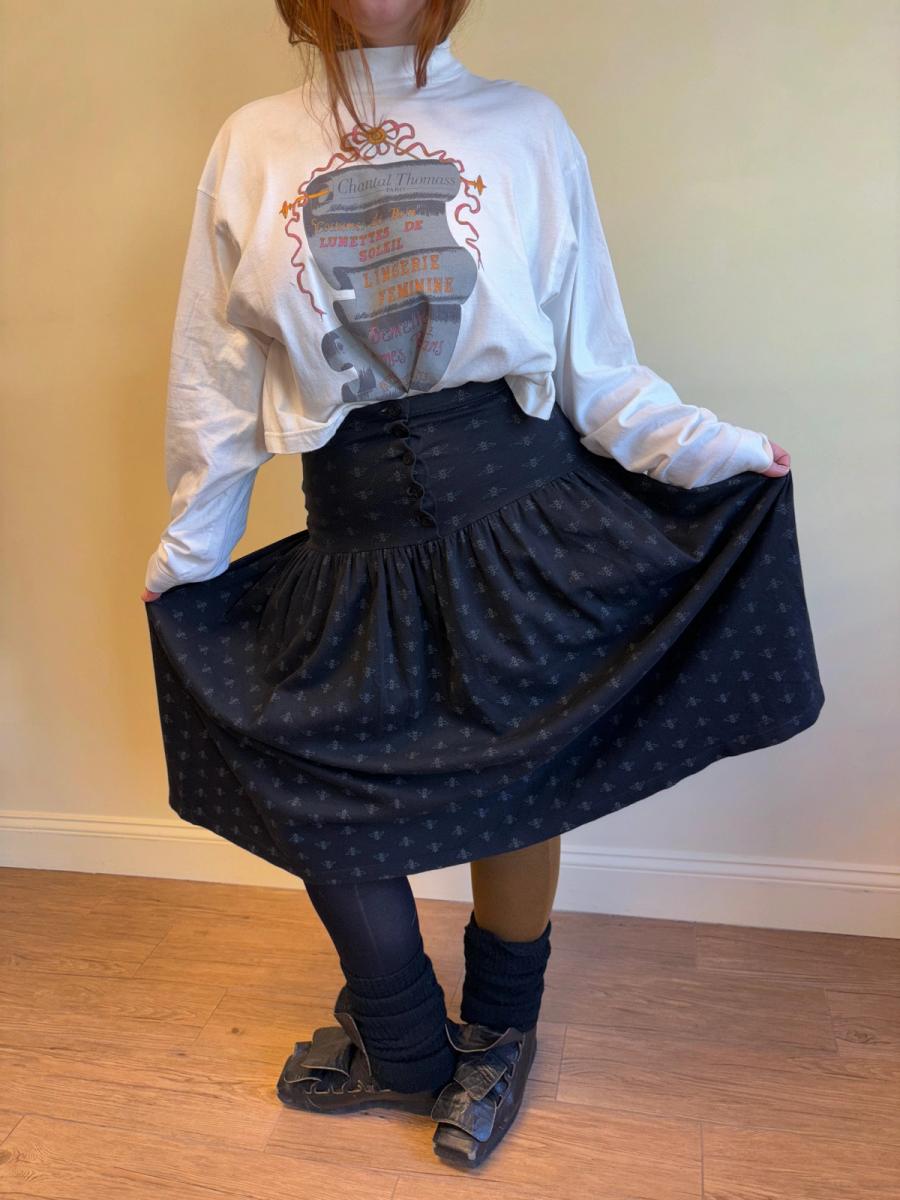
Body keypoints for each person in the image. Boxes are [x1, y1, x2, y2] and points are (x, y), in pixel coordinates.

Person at [140, 0, 824, 1170]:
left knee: (523, 771)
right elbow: (217, 377)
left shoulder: (526, 128)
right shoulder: (250, 142)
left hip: (519, 504)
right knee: (321, 782)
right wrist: (190, 554)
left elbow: (596, 364)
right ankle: (406, 1043)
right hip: (352, 521)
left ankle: (502, 1031)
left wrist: (711, 451)